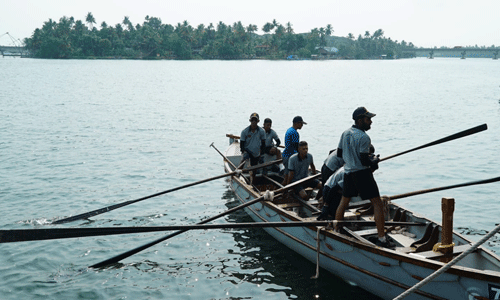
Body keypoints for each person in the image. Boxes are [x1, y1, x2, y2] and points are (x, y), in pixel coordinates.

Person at [334, 107, 393, 248]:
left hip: (348, 172)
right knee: (377, 203)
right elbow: (364, 161)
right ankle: (382, 238)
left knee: (344, 201)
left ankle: (336, 230)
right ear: (360, 121)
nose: (370, 122)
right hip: (361, 174)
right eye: (368, 119)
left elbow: (339, 154)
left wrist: (351, 159)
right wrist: (374, 161)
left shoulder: (345, 133)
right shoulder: (364, 137)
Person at [240, 113, 266, 182]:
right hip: (247, 151)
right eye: (252, 120)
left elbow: (263, 143)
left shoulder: (261, 131)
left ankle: (253, 181)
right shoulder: (244, 131)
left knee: (254, 169)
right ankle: (238, 174)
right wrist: (243, 151)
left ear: (258, 121)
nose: (254, 122)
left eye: (255, 120)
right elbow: (242, 144)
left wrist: (261, 153)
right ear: (250, 121)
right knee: (243, 161)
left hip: (256, 152)